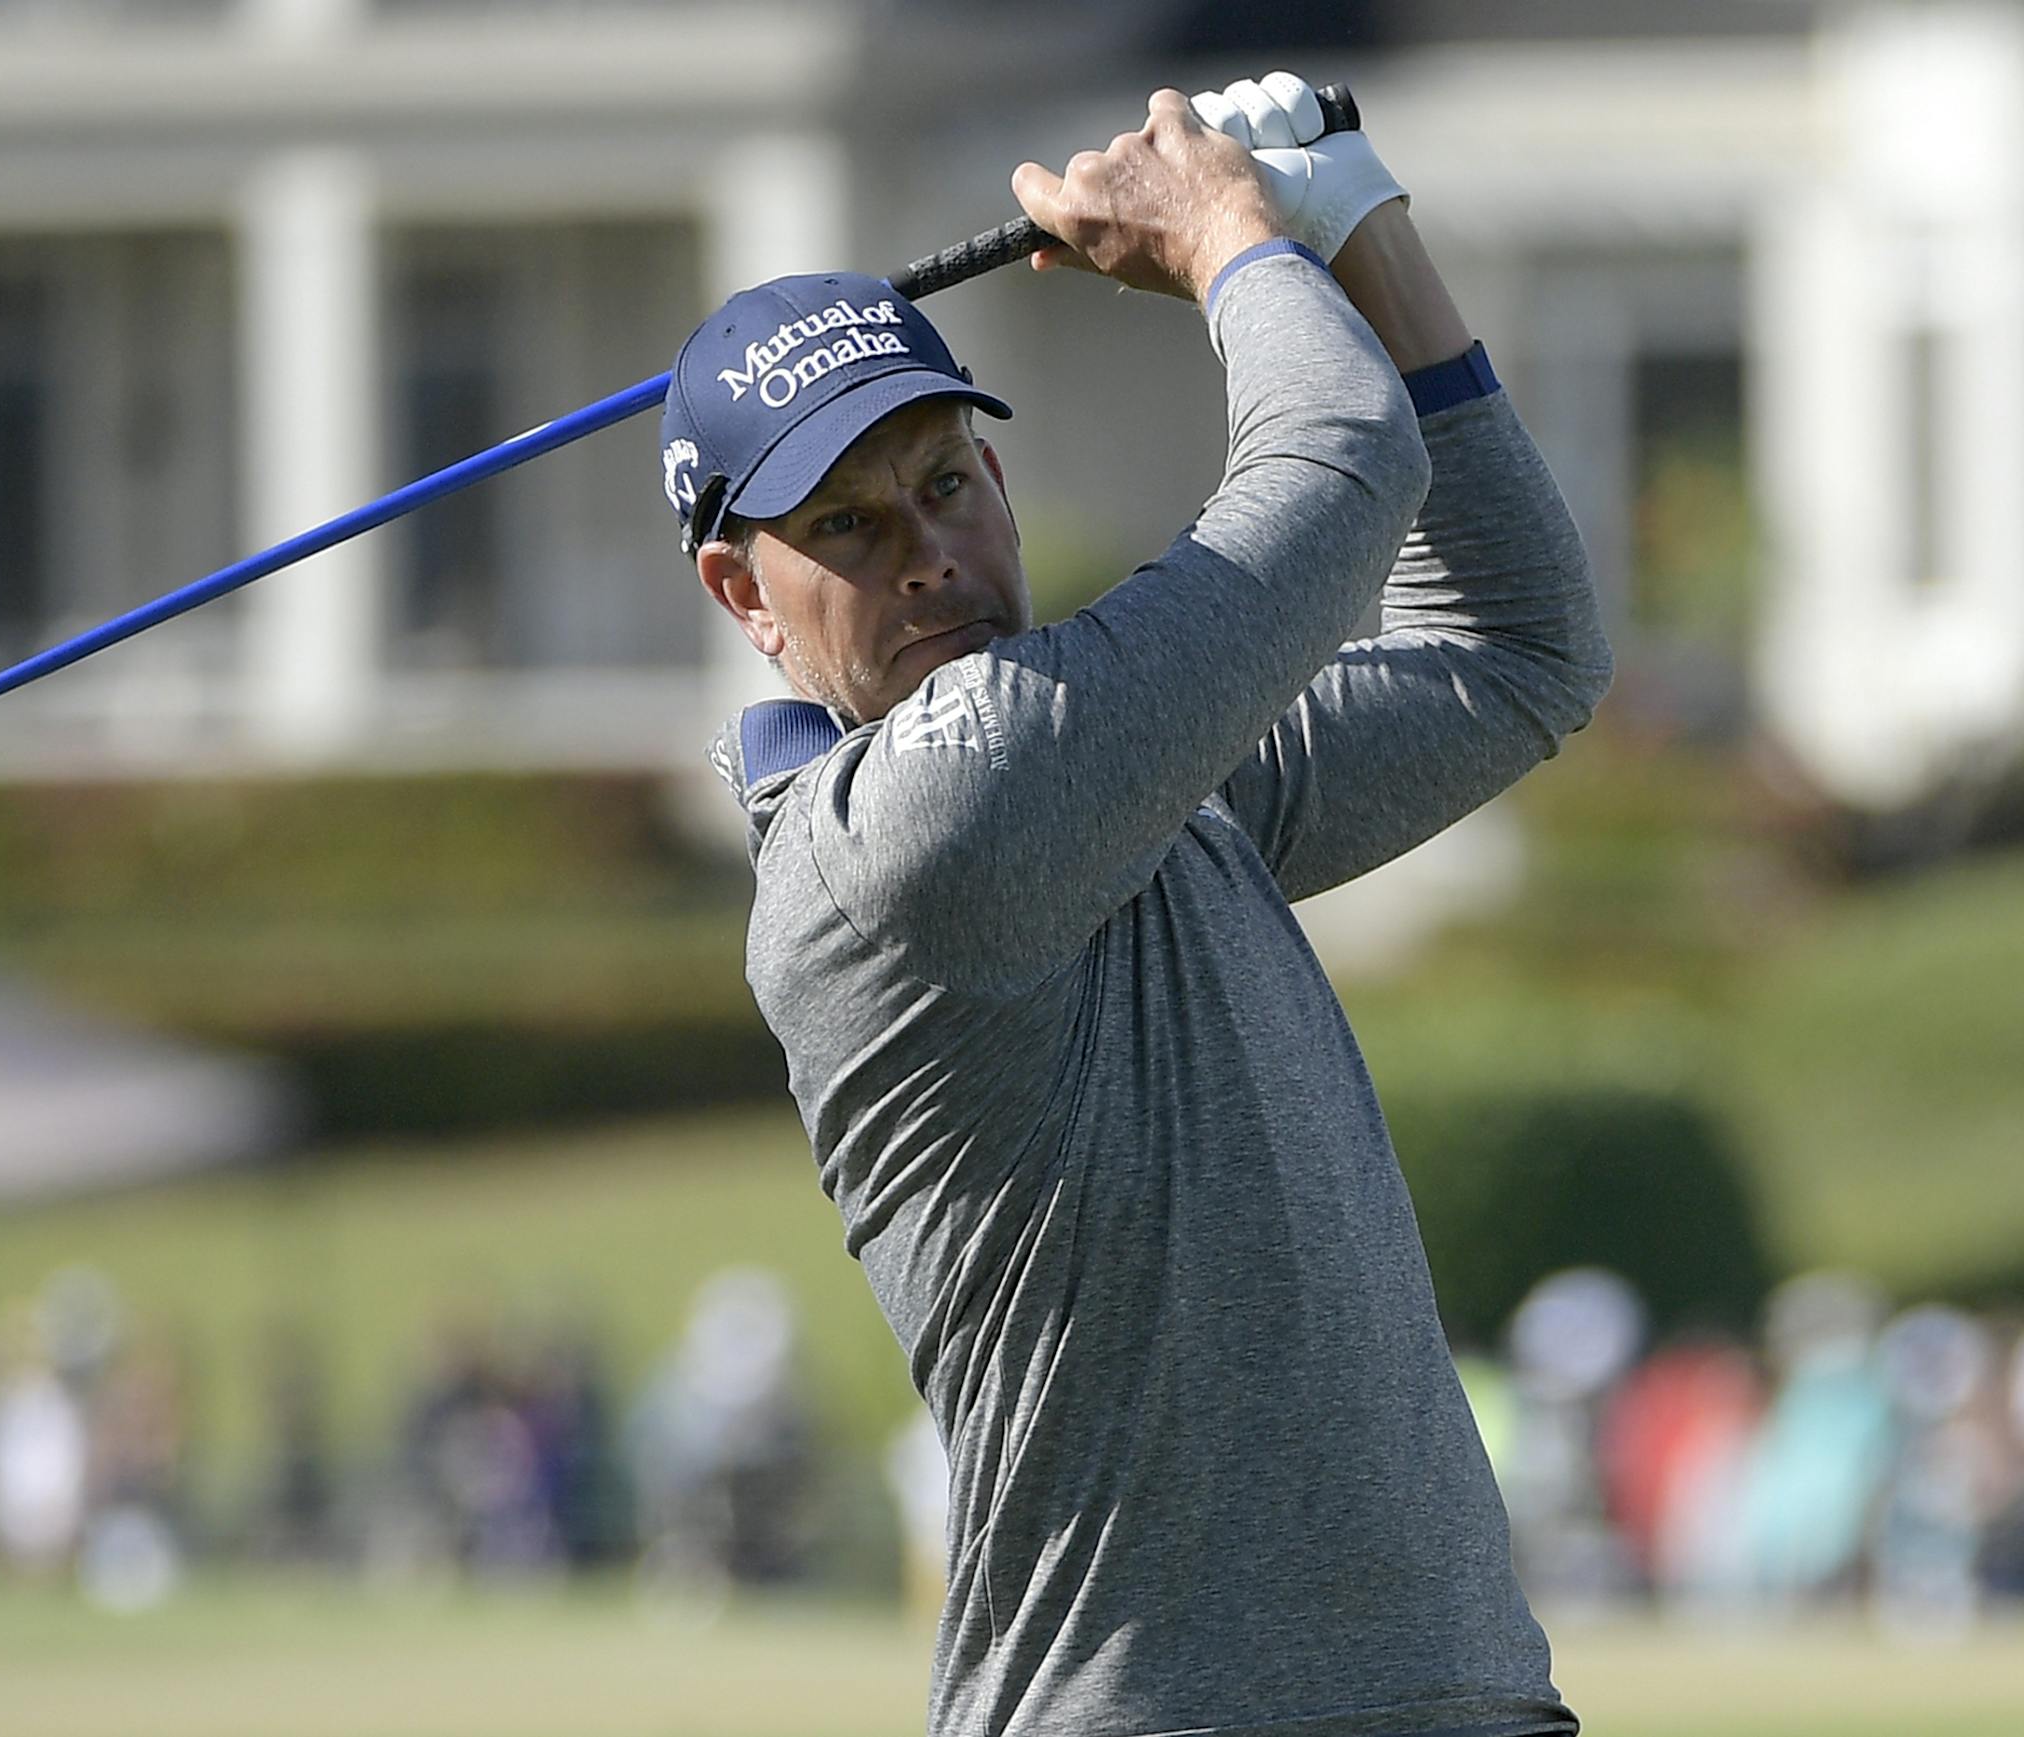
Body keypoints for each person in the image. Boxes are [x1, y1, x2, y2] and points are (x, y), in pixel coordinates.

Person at [661, 76, 1609, 1737]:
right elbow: (1338, 462)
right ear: (744, 591)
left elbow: (1515, 651)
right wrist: (1233, 235)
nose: (932, 557)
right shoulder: (927, 827)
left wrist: (1356, 214)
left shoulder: (1149, 788)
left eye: (951, 483)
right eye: (848, 527)